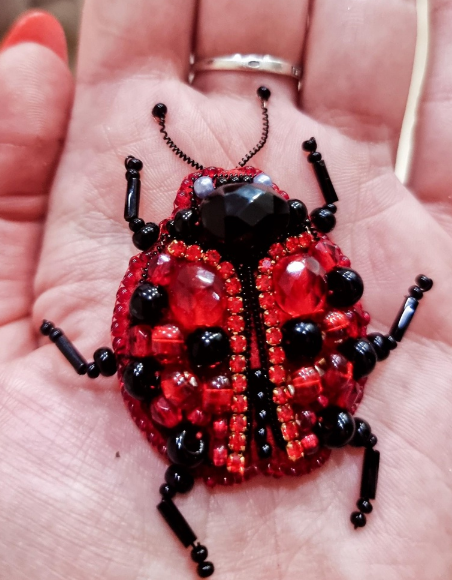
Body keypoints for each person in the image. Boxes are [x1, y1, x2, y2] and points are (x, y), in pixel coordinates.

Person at [0, 2, 451, 579]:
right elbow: (353, 300)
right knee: (370, 370)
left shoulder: (173, 258)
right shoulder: (299, 247)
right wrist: (409, 299)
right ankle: (357, 504)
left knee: (139, 426)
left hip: (210, 438)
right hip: (291, 423)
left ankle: (198, 551)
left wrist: (135, 180)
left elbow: (114, 351)